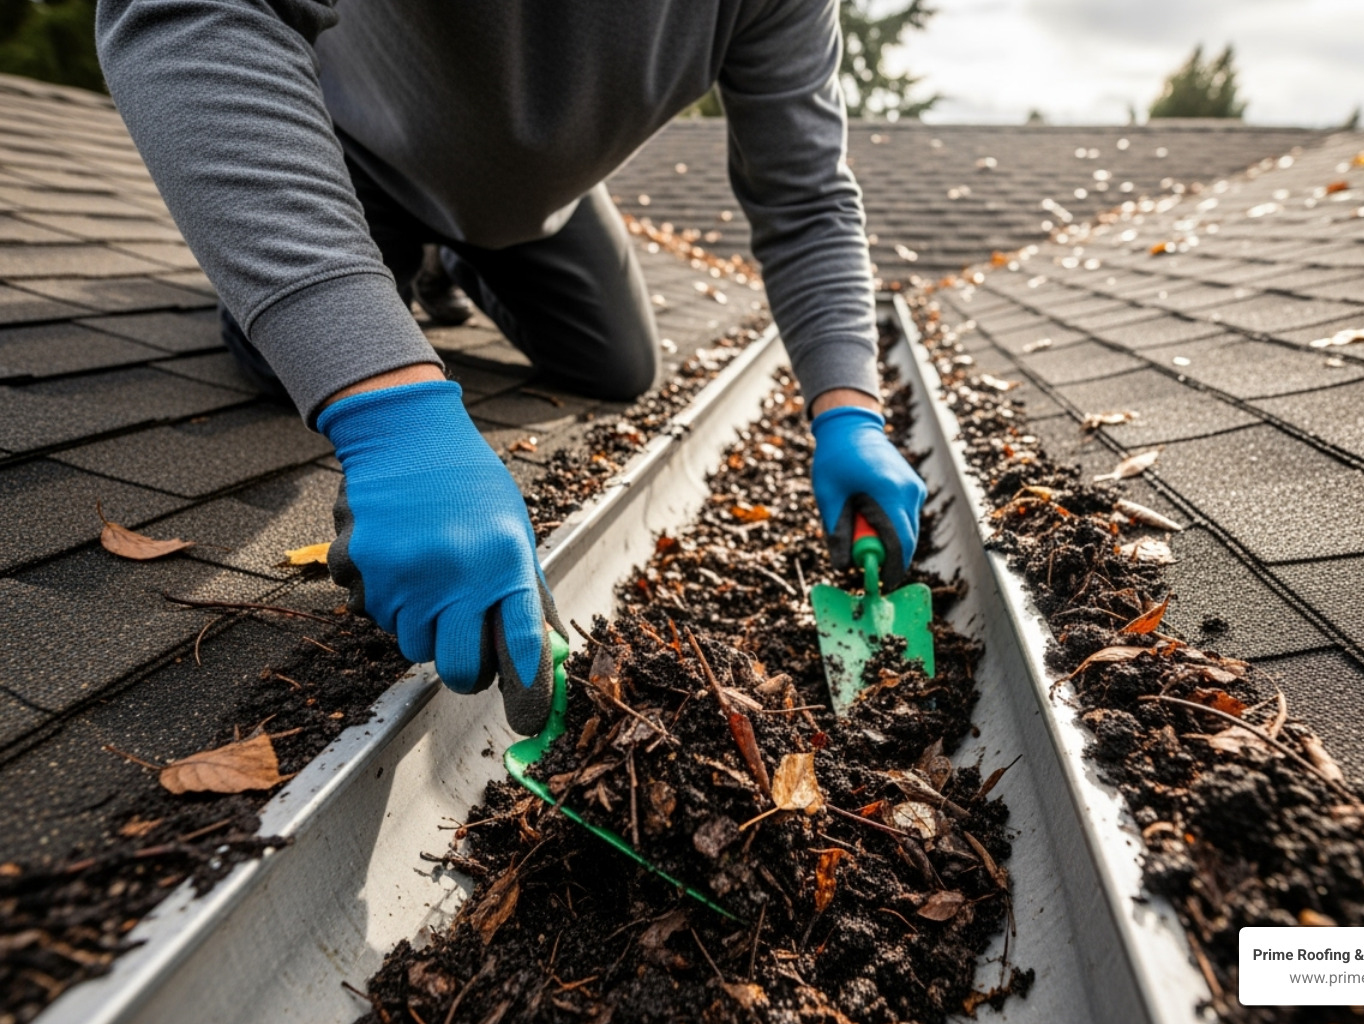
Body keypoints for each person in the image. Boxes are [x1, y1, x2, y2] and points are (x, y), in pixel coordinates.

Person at [96, 1, 926, 736]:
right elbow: (188, 8)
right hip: (357, 154)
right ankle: (380, 270)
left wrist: (850, 412)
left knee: (620, 365)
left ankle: (444, 264)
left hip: (532, 205)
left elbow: (808, 199)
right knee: (279, 359)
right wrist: (390, 411)